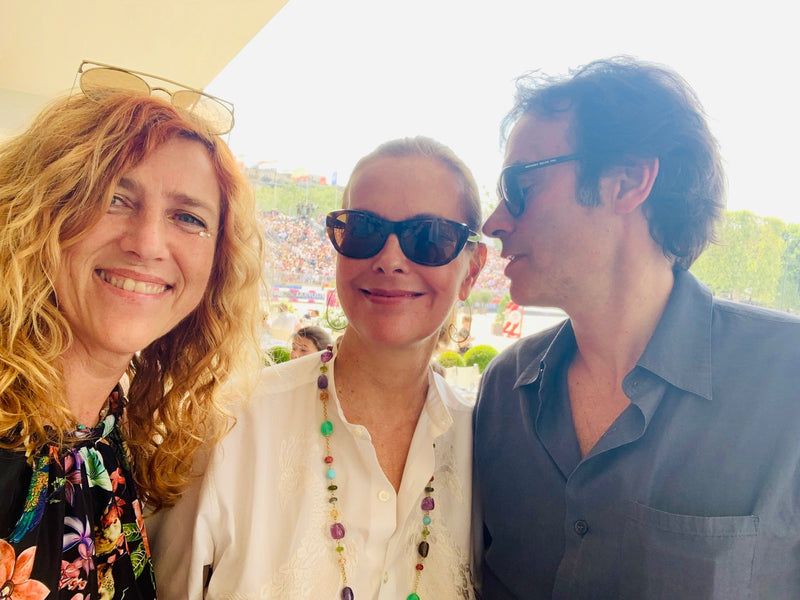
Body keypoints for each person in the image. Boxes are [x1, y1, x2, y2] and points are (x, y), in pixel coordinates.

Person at [472, 56, 800, 599]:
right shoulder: (505, 390)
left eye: (519, 186)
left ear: (627, 182)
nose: (494, 222)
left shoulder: (787, 382)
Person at [150, 136, 487, 599]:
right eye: (364, 230)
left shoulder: (488, 444)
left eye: (429, 237)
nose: (390, 260)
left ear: (472, 270)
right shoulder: (231, 423)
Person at [0, 70, 263, 597]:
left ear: (217, 265)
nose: (147, 243)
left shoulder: (112, 439)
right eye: (114, 198)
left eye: (187, 217)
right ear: (37, 213)